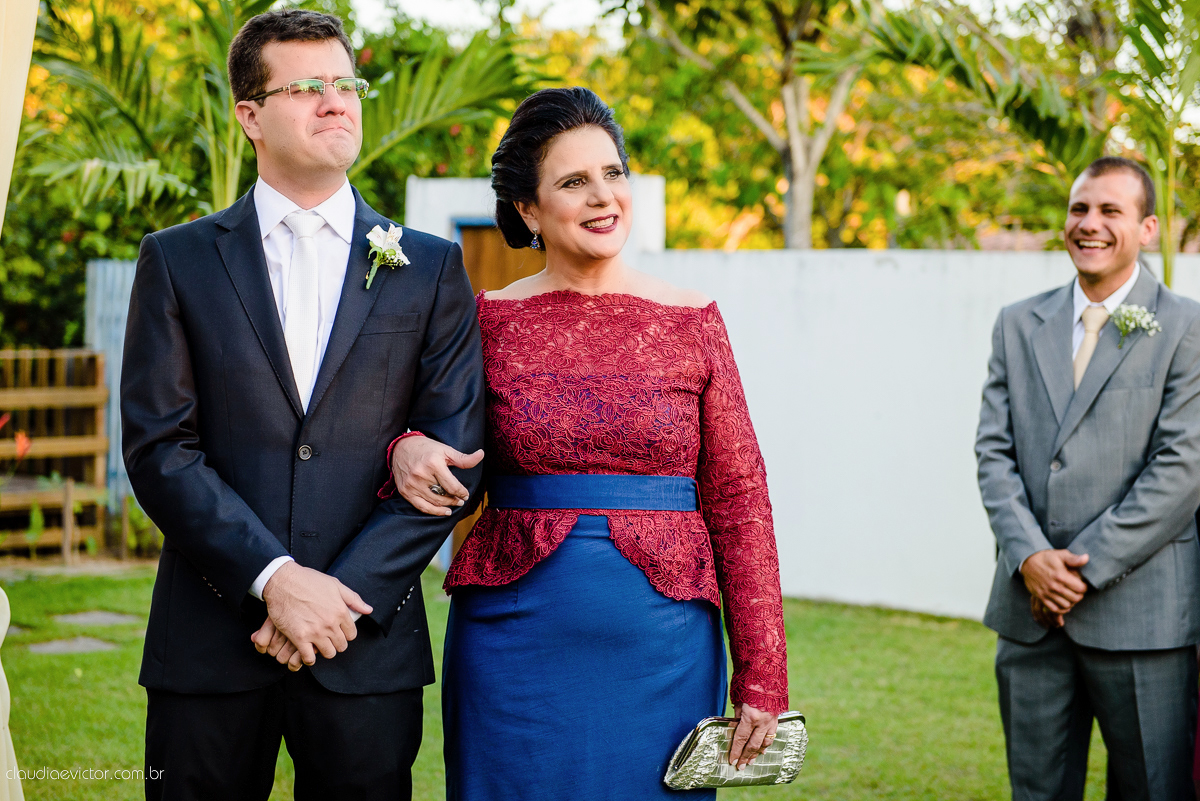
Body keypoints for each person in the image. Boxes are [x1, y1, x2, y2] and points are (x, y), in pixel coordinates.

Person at [120, 9, 484, 800]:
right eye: (308, 86)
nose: (336, 102)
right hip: (210, 641)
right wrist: (275, 579)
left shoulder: (430, 268)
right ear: (249, 115)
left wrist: (335, 601)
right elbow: (159, 450)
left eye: (346, 83)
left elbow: (457, 462)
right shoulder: (176, 261)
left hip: (367, 647)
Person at [386, 87, 788, 800]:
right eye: (574, 181)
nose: (603, 196)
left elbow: (739, 498)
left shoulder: (694, 321)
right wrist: (406, 444)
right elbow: (427, 445)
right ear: (529, 209)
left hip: (664, 647)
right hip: (512, 645)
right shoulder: (484, 322)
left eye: (613, 173)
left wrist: (762, 670)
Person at [976, 156, 1200, 800]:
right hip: (1029, 615)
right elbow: (994, 453)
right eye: (1080, 208)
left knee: (1151, 790)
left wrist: (1074, 570)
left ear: (1149, 228)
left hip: (1143, 616)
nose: (1090, 224)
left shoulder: (1186, 327)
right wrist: (1030, 560)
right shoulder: (1018, 323)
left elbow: (1181, 470)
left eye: (1110, 210)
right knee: (1037, 792)